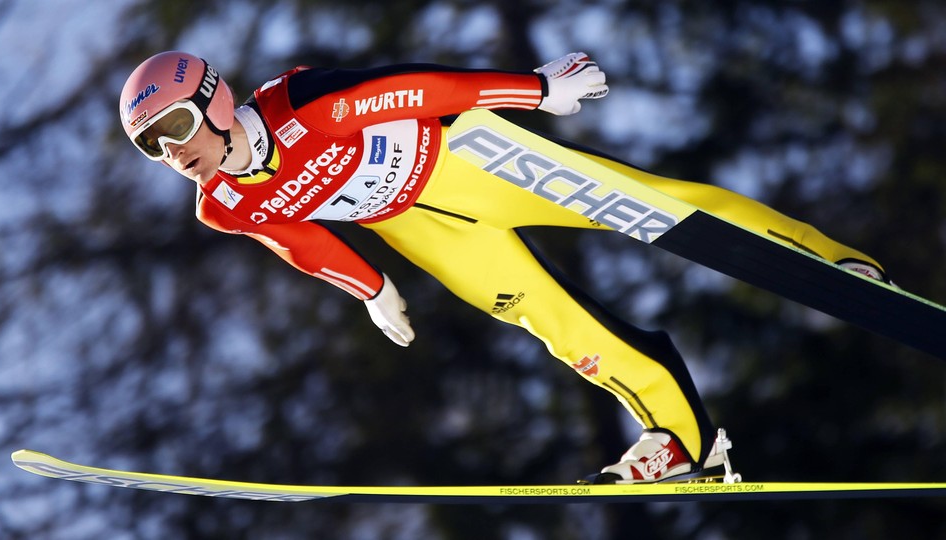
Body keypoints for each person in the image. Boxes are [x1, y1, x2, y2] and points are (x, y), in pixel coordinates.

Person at [119, 51, 888, 483]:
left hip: (464, 157)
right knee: (551, 321)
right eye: (153, 145)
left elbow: (409, 86)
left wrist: (535, 92)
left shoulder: (303, 106)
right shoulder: (221, 202)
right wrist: (373, 287)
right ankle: (684, 439)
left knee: (649, 204)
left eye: (177, 125)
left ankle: (835, 261)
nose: (175, 151)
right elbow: (292, 237)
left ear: (217, 102)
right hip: (421, 224)